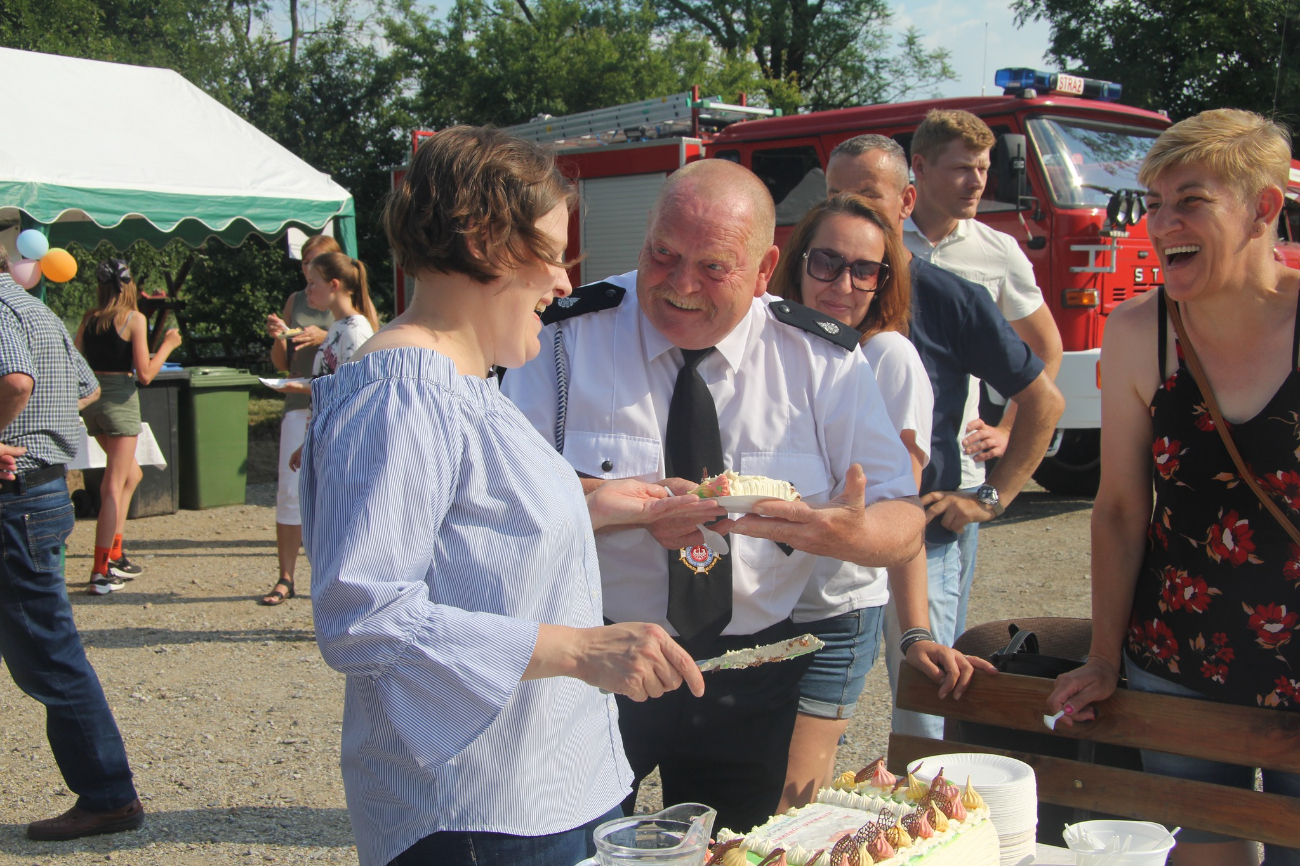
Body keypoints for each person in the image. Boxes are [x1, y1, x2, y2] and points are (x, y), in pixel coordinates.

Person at [300, 125, 726, 866]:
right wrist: (584, 650)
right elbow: (362, 616)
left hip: (535, 797)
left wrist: (598, 505)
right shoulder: (407, 392)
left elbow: (465, 527)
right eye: (554, 256)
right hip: (479, 817)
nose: (564, 282)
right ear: (485, 242)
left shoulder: (464, 378)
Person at [503, 158, 926, 833]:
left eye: (714, 267)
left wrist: (839, 535)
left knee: (735, 846)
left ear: (764, 270)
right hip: (598, 662)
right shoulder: (564, 340)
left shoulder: (823, 360)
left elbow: (905, 518)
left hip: (749, 674)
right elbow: (505, 498)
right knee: (574, 844)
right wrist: (614, 509)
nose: (680, 286)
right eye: (662, 255)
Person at [1048, 110, 1300, 866]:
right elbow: (1122, 509)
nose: (1162, 223)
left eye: (1190, 200)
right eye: (1153, 203)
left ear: (1263, 207)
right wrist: (1101, 656)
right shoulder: (1138, 333)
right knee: (1205, 855)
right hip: (1176, 663)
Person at [824, 134, 1063, 739]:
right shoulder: (810, 295)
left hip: (922, 544)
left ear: (906, 202)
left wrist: (990, 498)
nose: (849, 211)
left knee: (926, 715)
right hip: (829, 554)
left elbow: (1043, 398)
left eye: (867, 197)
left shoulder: (950, 297)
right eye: (835, 196)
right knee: (819, 715)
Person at [769, 193, 995, 807]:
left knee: (792, 798)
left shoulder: (885, 357)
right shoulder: (770, 350)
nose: (843, 283)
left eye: (865, 270)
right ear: (795, 264)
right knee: (747, 788)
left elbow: (903, 511)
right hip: (756, 613)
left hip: (834, 615)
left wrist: (915, 629)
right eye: (826, 262)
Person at [898, 111, 1064, 638]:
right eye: (962, 168)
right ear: (918, 169)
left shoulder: (997, 251)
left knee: (935, 642)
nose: (976, 182)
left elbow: (1045, 347)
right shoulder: (879, 241)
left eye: (984, 169)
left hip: (953, 476)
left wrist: (1010, 427)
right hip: (877, 465)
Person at [0, 248, 145, 840]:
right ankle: (108, 793)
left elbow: (14, 380)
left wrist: (17, 430)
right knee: (44, 647)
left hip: (18, 495)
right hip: (39, 490)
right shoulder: (32, 308)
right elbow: (83, 385)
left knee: (46, 652)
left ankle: (109, 795)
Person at [263, 250, 379, 605]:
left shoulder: (356, 330)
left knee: (342, 528)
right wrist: (307, 440)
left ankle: (350, 604)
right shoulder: (337, 329)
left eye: (312, 283)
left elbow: (354, 389)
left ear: (334, 285)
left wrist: (299, 387)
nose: (307, 291)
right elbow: (331, 387)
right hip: (327, 435)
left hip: (346, 442)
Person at [76, 259, 182, 595]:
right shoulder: (134, 319)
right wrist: (167, 345)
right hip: (121, 401)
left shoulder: (89, 319)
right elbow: (146, 374)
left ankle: (116, 553)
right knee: (112, 486)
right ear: (130, 286)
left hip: (93, 402)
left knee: (131, 475)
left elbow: (77, 360)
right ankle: (99, 570)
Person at [263, 234, 337, 608]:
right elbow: (281, 361)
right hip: (297, 398)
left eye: (317, 261)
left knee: (332, 491)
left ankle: (330, 580)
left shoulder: (345, 301)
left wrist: (325, 335)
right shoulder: (296, 299)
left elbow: (367, 341)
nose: (309, 269)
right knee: (289, 490)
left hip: (334, 400)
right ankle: (285, 577)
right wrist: (281, 337)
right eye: (306, 262)